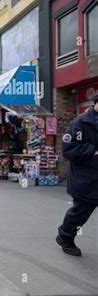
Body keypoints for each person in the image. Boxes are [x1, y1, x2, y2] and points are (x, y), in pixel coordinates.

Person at [57, 93, 98, 256]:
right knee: (80, 213)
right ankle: (65, 237)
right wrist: (93, 152)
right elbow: (68, 149)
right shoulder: (80, 123)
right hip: (85, 179)